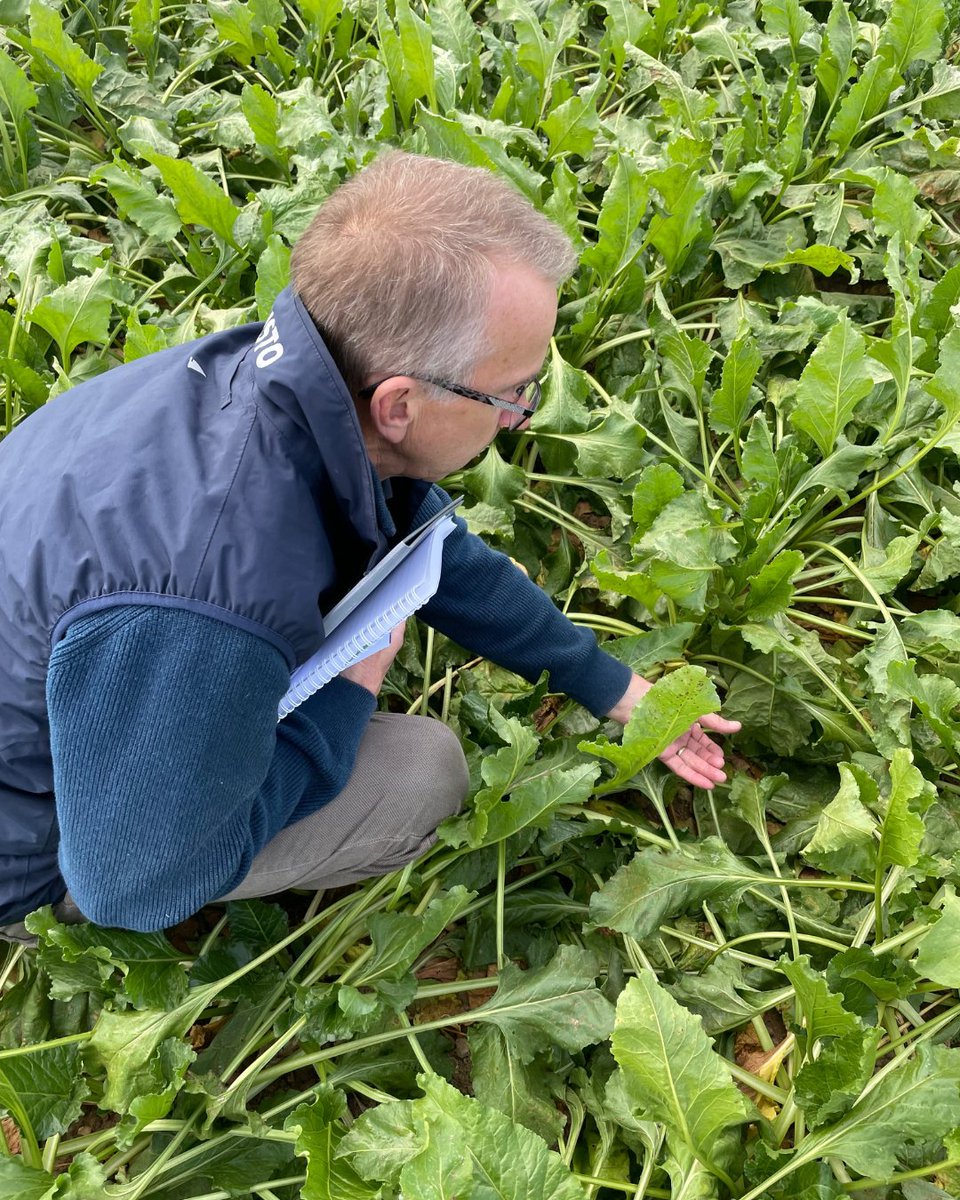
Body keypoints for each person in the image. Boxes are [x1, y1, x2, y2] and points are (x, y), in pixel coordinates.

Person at [0, 151, 738, 944]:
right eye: (512, 393)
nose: (520, 416)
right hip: (37, 848)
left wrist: (614, 688)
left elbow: (429, 549)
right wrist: (346, 698)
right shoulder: (210, 595)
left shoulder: (289, 377)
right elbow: (131, 886)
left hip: (79, 668)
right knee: (422, 772)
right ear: (399, 405)